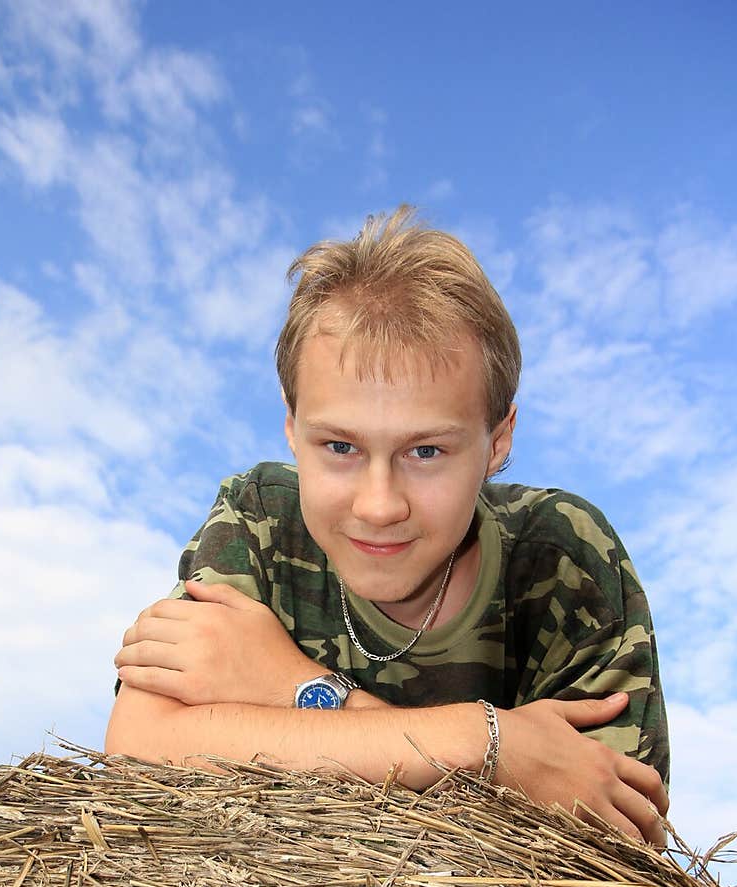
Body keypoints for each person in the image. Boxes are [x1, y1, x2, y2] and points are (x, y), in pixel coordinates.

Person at [105, 206, 669, 846]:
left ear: (497, 441)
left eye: (425, 451)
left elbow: (610, 848)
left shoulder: (563, 556)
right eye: (339, 448)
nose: (378, 506)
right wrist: (488, 744)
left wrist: (295, 685)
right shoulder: (260, 519)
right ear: (292, 429)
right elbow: (140, 743)